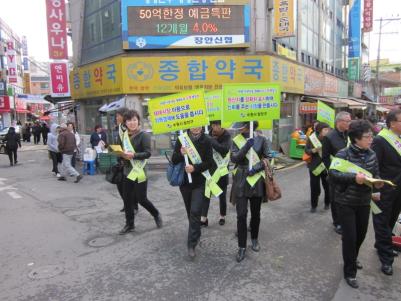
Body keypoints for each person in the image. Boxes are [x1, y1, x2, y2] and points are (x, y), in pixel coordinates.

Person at [329, 120, 382, 289]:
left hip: (364, 202)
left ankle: (353, 257)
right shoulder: (343, 155)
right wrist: (354, 178)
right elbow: (333, 175)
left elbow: (375, 174)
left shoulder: (372, 154)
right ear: (356, 138)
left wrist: (377, 187)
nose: (370, 139)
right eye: (367, 137)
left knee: (361, 234)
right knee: (350, 238)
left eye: (371, 136)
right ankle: (349, 272)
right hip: (346, 202)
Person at [230, 121, 270, 262]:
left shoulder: (262, 139)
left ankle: (254, 238)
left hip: (256, 179)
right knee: (241, 215)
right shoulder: (236, 140)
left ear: (249, 125)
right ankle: (241, 246)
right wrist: (247, 146)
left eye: (242, 126)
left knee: (255, 213)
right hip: (241, 178)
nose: (239, 128)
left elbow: (268, 157)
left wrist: (257, 168)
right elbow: (234, 158)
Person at [118, 110, 162, 234]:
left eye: (134, 120)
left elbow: (147, 153)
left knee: (141, 198)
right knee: (127, 199)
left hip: (140, 171)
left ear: (138, 121)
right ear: (125, 123)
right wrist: (119, 154)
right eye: (129, 120)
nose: (132, 123)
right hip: (127, 172)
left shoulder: (144, 135)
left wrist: (133, 155)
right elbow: (121, 151)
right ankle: (129, 224)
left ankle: (156, 214)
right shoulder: (124, 135)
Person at [172, 126, 213, 259]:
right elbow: (174, 159)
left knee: (195, 211)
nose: (196, 127)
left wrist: (194, 168)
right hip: (184, 183)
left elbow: (209, 163)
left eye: (199, 124)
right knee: (190, 211)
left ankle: (191, 245)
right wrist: (181, 153)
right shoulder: (182, 138)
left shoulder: (206, 140)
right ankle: (196, 233)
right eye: (194, 124)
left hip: (199, 182)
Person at [371, 109, 401, 276]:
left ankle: (382, 244)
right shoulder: (380, 140)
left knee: (390, 220)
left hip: (398, 190)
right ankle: (386, 259)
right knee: (381, 223)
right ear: (392, 123)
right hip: (384, 191)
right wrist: (376, 188)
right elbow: (374, 167)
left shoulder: (398, 138)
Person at [322, 111, 352, 234]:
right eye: (347, 121)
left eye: (350, 120)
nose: (350, 123)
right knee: (335, 199)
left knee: (347, 197)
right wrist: (332, 171)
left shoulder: (349, 134)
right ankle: (337, 222)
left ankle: (345, 220)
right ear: (339, 122)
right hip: (336, 173)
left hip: (350, 172)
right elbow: (325, 157)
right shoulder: (329, 137)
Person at [201, 120, 232, 226]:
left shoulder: (227, 136)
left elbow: (224, 149)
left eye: (216, 125)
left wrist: (210, 140)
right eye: (213, 125)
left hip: (221, 170)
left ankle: (222, 216)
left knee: (222, 195)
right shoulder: (207, 133)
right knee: (206, 193)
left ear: (222, 126)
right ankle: (204, 218)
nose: (214, 127)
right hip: (209, 169)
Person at [114, 108, 138, 214]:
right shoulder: (119, 128)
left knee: (131, 188)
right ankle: (127, 204)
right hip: (121, 160)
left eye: (118, 115)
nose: (116, 118)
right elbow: (119, 144)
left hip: (131, 162)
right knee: (121, 186)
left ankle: (134, 206)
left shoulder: (129, 130)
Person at [304, 122, 331, 212]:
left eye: (328, 129)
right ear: (320, 130)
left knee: (327, 186)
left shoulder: (329, 138)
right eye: (325, 129)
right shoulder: (312, 138)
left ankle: (327, 203)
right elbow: (306, 150)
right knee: (314, 187)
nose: (328, 131)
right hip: (314, 166)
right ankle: (313, 205)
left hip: (325, 166)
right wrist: (313, 150)